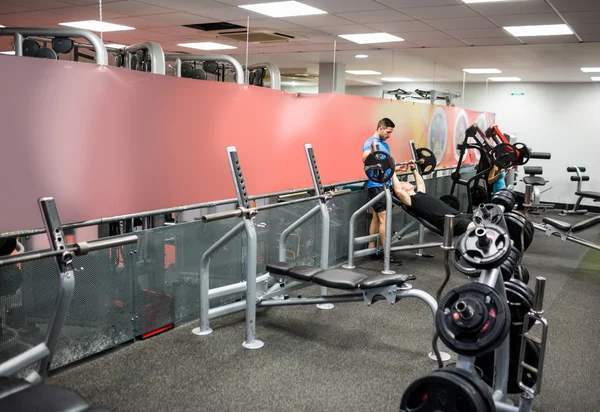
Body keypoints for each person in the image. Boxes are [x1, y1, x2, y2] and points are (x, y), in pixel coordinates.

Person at [391, 161, 476, 236]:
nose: (408, 181)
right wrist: (392, 170)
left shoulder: (420, 194)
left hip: (457, 216)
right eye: (403, 182)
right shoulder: (411, 201)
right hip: (447, 222)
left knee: (481, 219)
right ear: (403, 189)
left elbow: (420, 183)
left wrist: (413, 169)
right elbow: (398, 191)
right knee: (473, 227)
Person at [362, 118, 398, 259]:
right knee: (384, 218)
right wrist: (371, 152)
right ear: (380, 128)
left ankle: (371, 249)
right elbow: (364, 158)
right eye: (388, 132)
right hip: (376, 186)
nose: (389, 135)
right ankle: (387, 253)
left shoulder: (384, 145)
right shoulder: (370, 142)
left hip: (385, 184)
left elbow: (388, 163)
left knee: (377, 217)